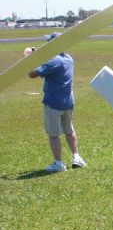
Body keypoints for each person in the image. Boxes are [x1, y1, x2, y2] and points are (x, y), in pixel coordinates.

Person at [28, 32, 87, 172]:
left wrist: (28, 57)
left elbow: (32, 74)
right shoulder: (68, 58)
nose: (46, 45)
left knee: (53, 134)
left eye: (49, 42)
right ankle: (76, 157)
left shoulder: (52, 61)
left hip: (53, 103)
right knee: (69, 130)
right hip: (67, 102)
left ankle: (59, 163)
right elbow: (51, 61)